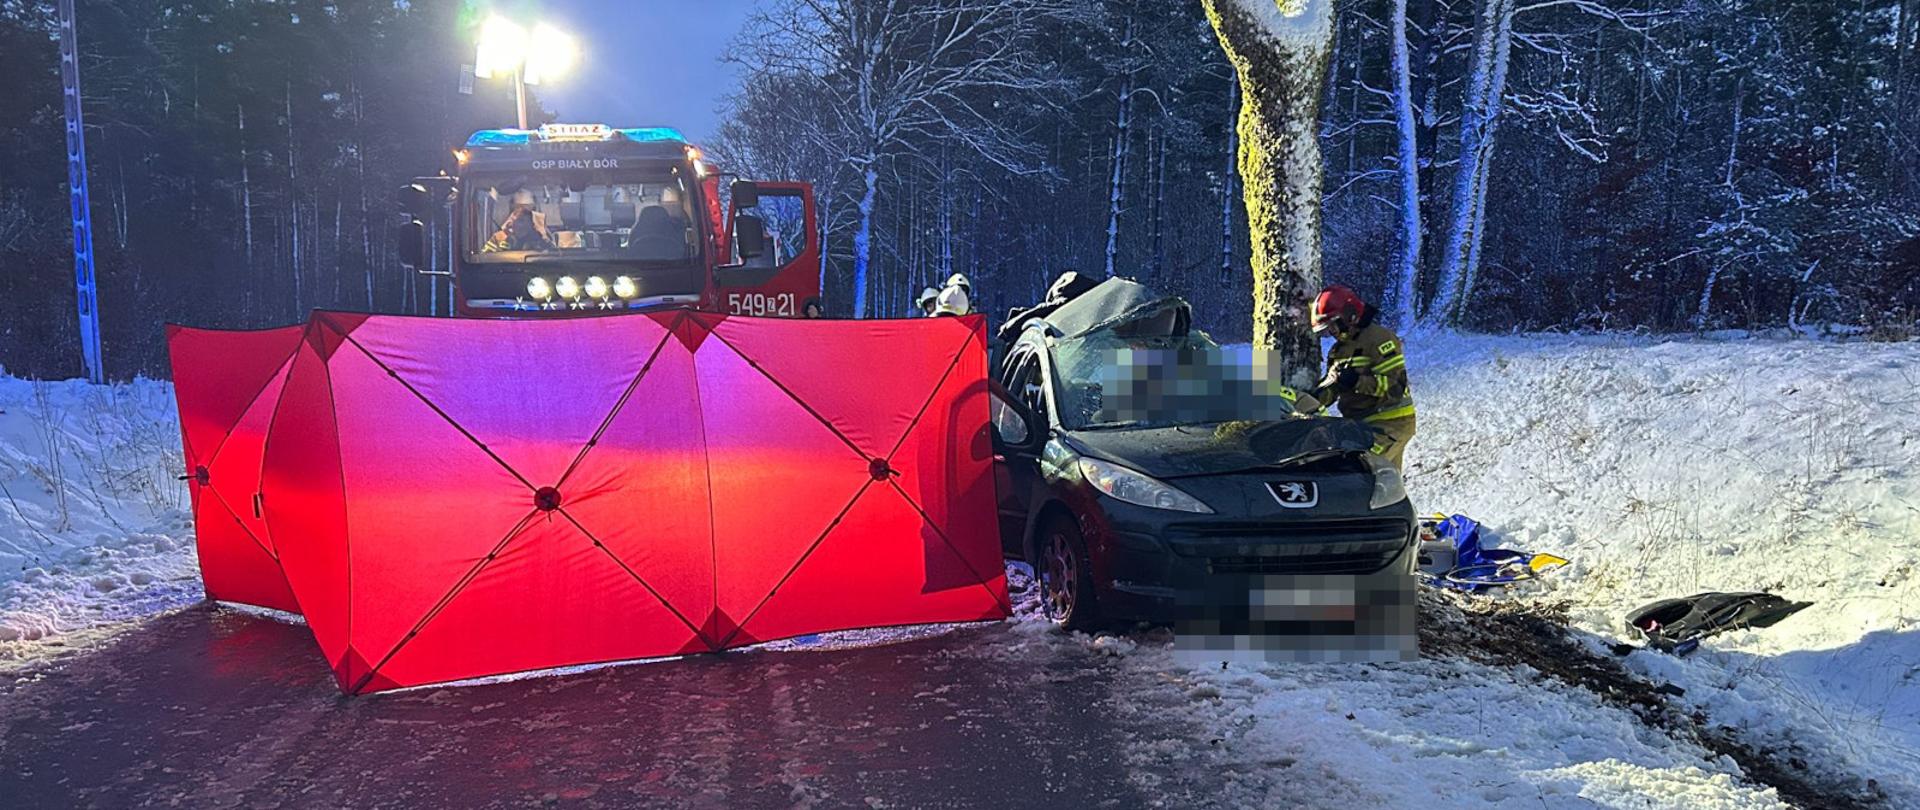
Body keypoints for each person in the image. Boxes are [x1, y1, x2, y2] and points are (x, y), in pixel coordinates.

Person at [1310, 285, 1415, 469]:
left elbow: (1396, 387)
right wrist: (1310, 400)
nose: (1332, 332)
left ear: (1349, 315)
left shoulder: (1380, 339)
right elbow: (1333, 389)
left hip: (1389, 423)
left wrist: (1357, 381)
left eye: (1333, 324)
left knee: (1358, 470)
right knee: (1384, 483)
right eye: (1327, 329)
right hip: (1361, 426)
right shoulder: (1338, 351)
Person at [483, 189, 553, 252]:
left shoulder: (541, 239)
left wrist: (543, 236)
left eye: (526, 214)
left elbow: (552, 255)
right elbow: (484, 257)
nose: (521, 224)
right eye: (516, 213)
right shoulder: (499, 238)